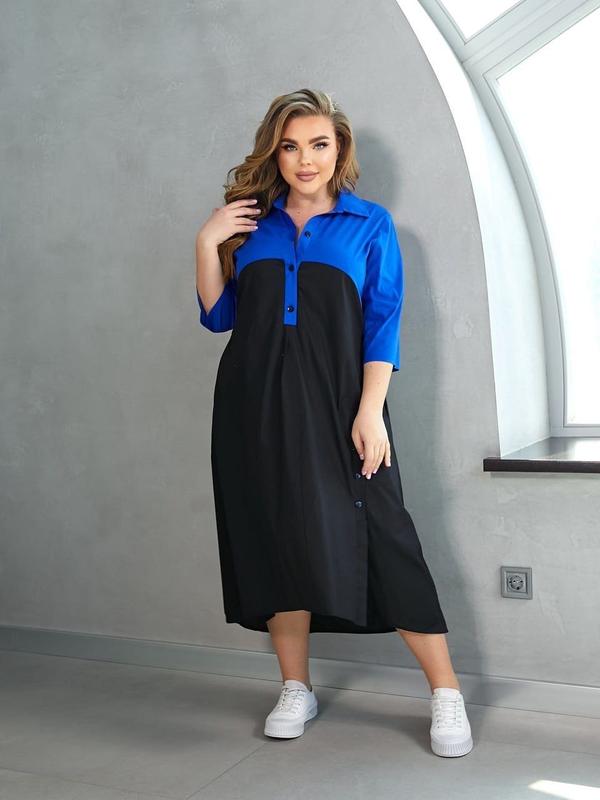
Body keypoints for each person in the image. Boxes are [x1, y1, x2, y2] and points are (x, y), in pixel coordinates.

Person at [195, 89, 473, 757]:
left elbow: (383, 322)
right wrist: (207, 241)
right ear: (275, 153)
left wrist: (370, 411)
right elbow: (219, 316)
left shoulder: (369, 224)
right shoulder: (251, 225)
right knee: (275, 535)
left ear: (339, 149)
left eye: (318, 144)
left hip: (342, 404)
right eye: (290, 146)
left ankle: (446, 693)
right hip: (254, 405)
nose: (304, 159)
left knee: (386, 535)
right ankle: (296, 686)